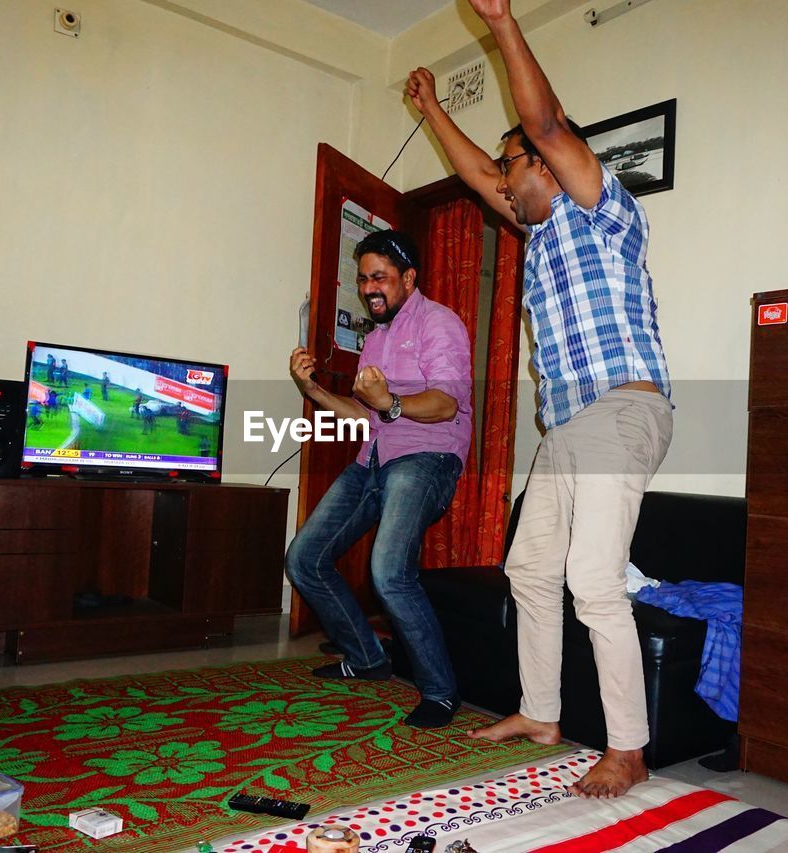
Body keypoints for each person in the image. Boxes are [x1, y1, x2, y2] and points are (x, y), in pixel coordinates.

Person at [406, 0, 673, 796]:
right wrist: (428, 110)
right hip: (566, 426)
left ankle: (628, 745)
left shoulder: (602, 211)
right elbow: (480, 177)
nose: (501, 177)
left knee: (592, 577)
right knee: (529, 566)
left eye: (512, 161)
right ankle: (543, 712)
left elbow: (549, 122)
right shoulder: (539, 235)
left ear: (547, 166)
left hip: (621, 408)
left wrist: (503, 25)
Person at [286, 229, 473, 729]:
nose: (370, 288)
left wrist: (389, 402)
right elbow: (361, 413)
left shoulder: (439, 323)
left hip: (427, 457)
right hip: (373, 458)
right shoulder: (375, 339)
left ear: (408, 278)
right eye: (364, 278)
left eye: (380, 278)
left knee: (389, 571)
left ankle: (440, 691)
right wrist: (312, 389)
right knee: (304, 558)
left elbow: (445, 402)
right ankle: (367, 658)